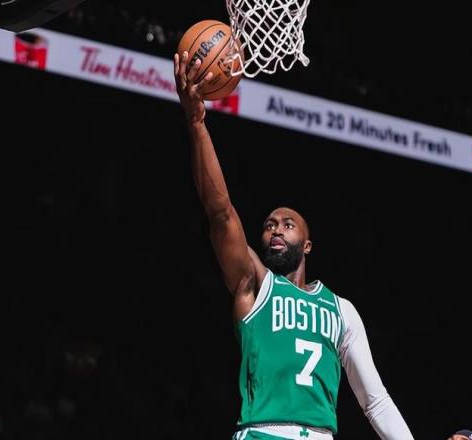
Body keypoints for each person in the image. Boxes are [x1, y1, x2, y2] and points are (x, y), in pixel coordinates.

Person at [173, 50, 415, 440]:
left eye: (287, 225)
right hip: (263, 432)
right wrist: (196, 122)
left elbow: (376, 402)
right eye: (269, 225)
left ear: (307, 246)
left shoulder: (341, 311)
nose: (276, 230)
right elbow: (220, 212)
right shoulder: (255, 285)